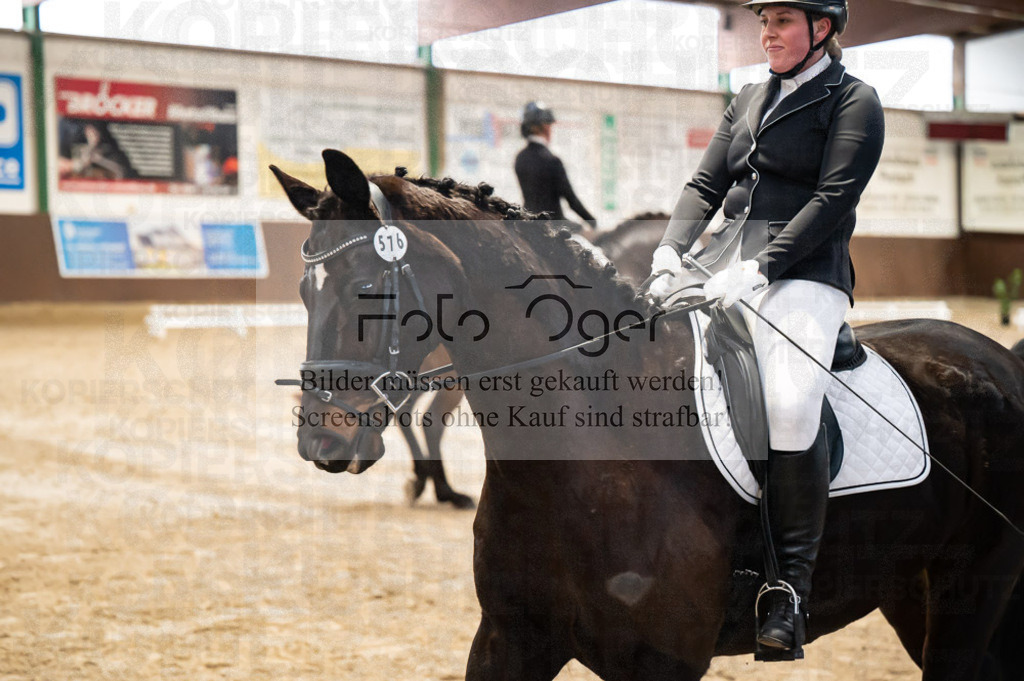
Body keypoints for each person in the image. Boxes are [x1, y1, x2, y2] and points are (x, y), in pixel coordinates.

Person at [648, 0, 884, 653]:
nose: (768, 33)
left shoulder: (854, 100)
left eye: (782, 21)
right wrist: (671, 250)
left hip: (807, 273)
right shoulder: (749, 96)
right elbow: (704, 184)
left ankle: (787, 590)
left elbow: (834, 198)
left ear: (823, 28)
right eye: (764, 21)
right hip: (719, 262)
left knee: (787, 402)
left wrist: (761, 268)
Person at [514, 101, 597, 235]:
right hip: (554, 227)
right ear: (545, 127)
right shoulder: (552, 160)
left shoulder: (520, 158)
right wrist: (592, 221)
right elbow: (571, 200)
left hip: (528, 225)